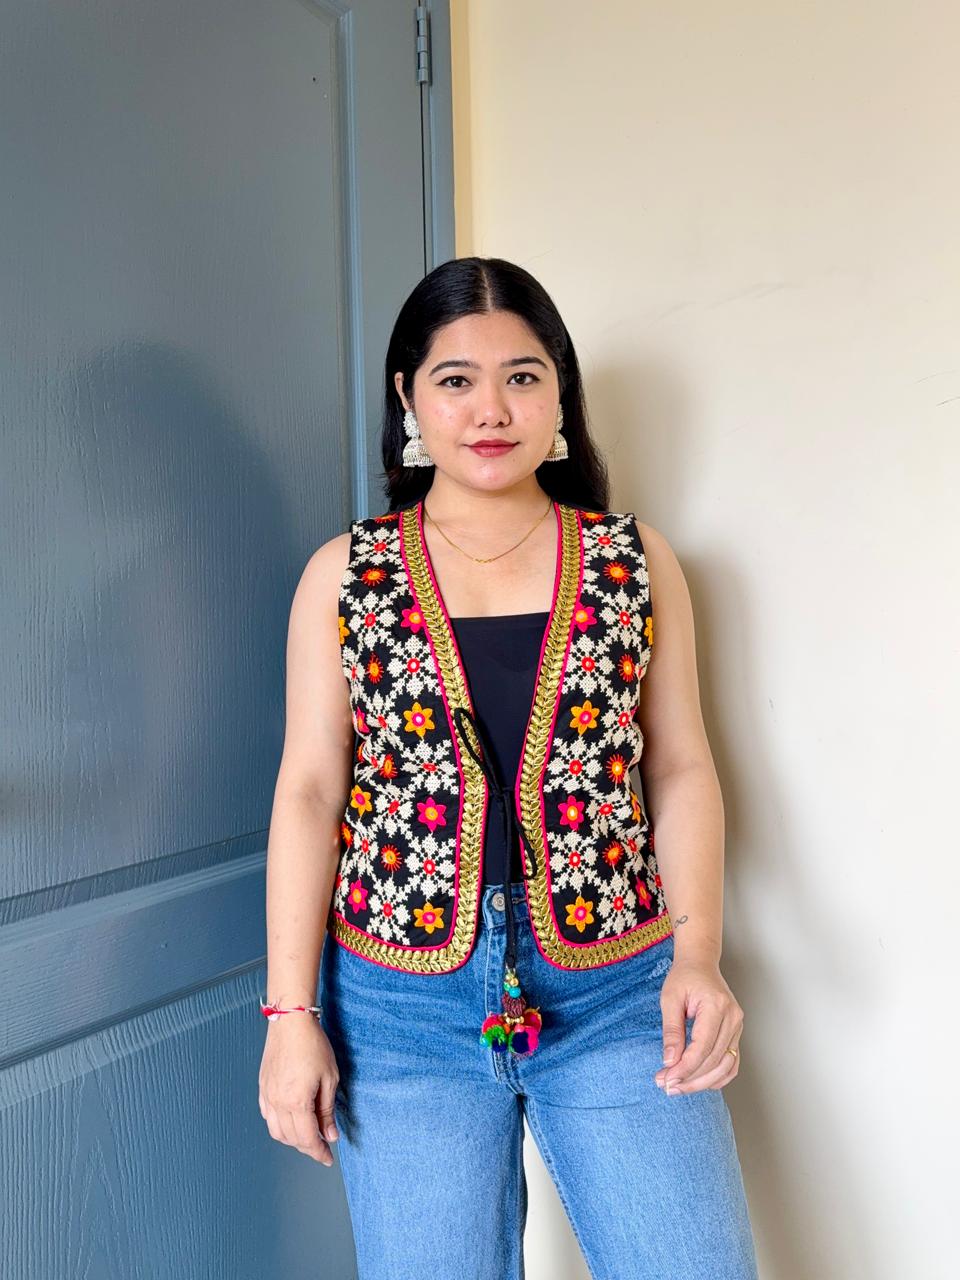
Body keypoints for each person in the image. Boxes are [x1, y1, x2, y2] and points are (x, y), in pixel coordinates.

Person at [258, 257, 760, 1279]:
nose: (491, 409)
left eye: (523, 377)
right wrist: (289, 1015)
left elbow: (681, 768)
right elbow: (309, 791)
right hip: (398, 1005)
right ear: (408, 395)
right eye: (457, 379)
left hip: (620, 988)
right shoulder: (346, 575)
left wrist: (699, 954)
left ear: (560, 394)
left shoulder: (632, 561)